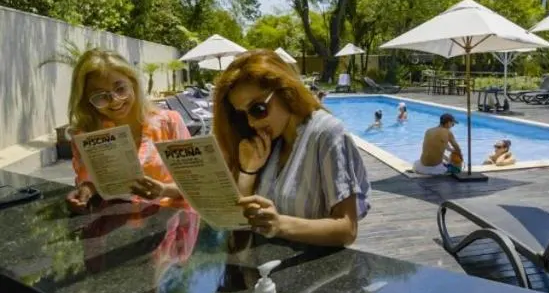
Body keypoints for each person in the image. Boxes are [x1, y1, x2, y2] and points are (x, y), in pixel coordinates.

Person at [213, 49, 370, 247]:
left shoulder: (325, 133)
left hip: (319, 270)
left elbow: (347, 229)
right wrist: (248, 171)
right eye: (241, 115)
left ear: (285, 91)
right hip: (269, 268)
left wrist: (280, 225)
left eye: (257, 109)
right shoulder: (269, 141)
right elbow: (242, 221)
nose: (251, 122)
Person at [66, 48, 189, 210]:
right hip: (112, 225)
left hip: (168, 225)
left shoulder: (169, 123)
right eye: (100, 96)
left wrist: (165, 190)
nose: (114, 101)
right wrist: (84, 192)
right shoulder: (85, 135)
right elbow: (91, 183)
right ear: (86, 100)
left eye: (120, 89)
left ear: (133, 83)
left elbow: (198, 183)